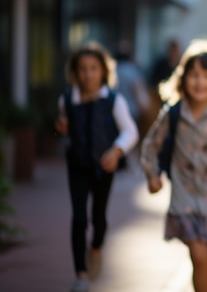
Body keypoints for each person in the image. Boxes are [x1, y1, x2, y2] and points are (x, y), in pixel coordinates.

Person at [141, 38, 207, 292]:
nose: (200, 82)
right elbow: (150, 146)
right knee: (199, 257)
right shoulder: (174, 113)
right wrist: (152, 175)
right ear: (182, 78)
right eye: (194, 75)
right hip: (185, 197)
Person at [54, 41, 139, 292]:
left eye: (93, 68)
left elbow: (130, 131)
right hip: (77, 165)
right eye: (82, 69)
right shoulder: (67, 99)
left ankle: (97, 247)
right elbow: (64, 127)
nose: (88, 74)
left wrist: (116, 151)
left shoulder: (114, 100)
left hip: (104, 166)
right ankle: (80, 274)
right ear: (74, 72)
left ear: (103, 71)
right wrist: (60, 129)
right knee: (79, 217)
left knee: (98, 217)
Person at [114, 40, 152, 168]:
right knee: (130, 134)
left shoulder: (113, 70)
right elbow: (138, 91)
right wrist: (145, 106)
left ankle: (119, 160)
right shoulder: (132, 71)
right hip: (131, 109)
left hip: (113, 108)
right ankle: (128, 161)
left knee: (117, 134)